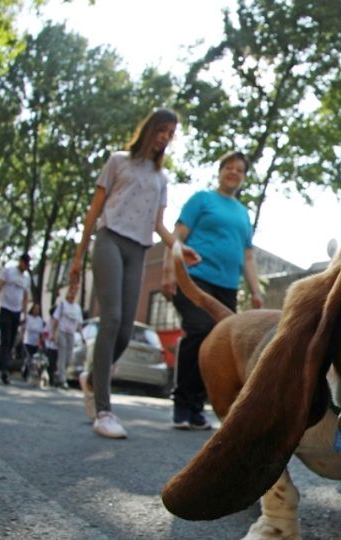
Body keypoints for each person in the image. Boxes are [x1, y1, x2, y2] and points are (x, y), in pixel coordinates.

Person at [69, 109, 199, 440]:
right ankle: (103, 410)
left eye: (171, 133)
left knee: (125, 331)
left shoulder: (161, 179)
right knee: (110, 319)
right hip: (110, 239)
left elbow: (158, 225)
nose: (165, 137)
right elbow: (94, 211)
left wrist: (179, 248)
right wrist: (77, 257)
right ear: (150, 128)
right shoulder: (118, 161)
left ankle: (90, 376)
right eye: (163, 129)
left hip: (138, 249)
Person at [161, 151, 263, 431]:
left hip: (227, 287)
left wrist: (255, 290)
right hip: (194, 280)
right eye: (228, 167)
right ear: (220, 172)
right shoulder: (201, 200)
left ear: (243, 178)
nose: (233, 172)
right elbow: (177, 237)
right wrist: (169, 273)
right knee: (200, 330)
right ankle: (182, 402)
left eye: (239, 170)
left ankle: (197, 407)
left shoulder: (243, 213)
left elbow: (248, 256)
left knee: (221, 344)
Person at [0, 253, 31, 384]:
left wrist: (24, 314)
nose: (26, 267)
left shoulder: (26, 278)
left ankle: (1, 362)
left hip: (16, 313)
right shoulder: (8, 271)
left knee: (11, 341)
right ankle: (4, 370)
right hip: (5, 309)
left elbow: (25, 298)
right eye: (25, 264)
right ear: (21, 262)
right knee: (5, 339)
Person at [51, 288, 83, 390]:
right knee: (62, 355)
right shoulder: (62, 305)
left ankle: (59, 373)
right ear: (67, 294)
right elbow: (55, 320)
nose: (72, 295)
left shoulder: (77, 308)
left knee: (68, 358)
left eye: (74, 293)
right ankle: (62, 380)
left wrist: (82, 336)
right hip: (62, 332)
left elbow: (79, 324)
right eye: (71, 293)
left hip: (71, 334)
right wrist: (53, 333)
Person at [20, 303, 46, 382]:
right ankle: (26, 373)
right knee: (28, 358)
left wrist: (40, 341)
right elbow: (23, 327)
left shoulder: (40, 320)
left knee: (33, 359)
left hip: (35, 342)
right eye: (35, 309)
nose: (36, 310)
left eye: (38, 309)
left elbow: (41, 332)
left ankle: (29, 373)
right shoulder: (28, 317)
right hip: (27, 340)